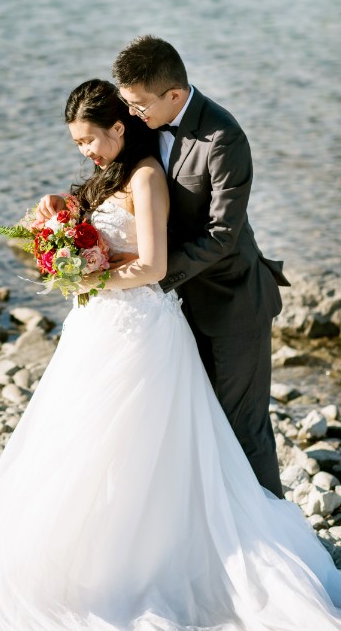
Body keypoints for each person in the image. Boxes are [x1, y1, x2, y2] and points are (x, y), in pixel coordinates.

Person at [0, 79, 341, 631]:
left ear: (118, 128)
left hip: (142, 328)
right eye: (76, 144)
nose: (84, 151)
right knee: (80, 437)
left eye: (90, 139)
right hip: (97, 325)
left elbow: (155, 266)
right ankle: (78, 554)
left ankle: (145, 559)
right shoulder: (106, 175)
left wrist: (91, 272)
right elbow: (94, 231)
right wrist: (57, 214)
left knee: (139, 443)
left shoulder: (147, 176)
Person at [108, 36, 287, 498]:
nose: (131, 115)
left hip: (234, 303)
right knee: (193, 427)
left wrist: (152, 273)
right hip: (176, 308)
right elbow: (117, 177)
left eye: (138, 104)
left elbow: (222, 237)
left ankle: (279, 540)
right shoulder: (148, 121)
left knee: (243, 429)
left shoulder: (225, 138)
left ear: (173, 95)